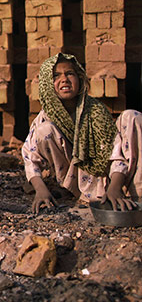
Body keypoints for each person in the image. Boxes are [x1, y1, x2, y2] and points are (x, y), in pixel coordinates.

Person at [22, 53, 142, 214]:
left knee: (132, 116)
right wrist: (40, 189)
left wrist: (115, 187)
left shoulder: (95, 112)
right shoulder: (45, 117)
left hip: (115, 178)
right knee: (45, 131)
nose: (64, 79)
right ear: (48, 84)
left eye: (69, 73)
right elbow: (29, 155)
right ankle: (86, 193)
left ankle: (136, 194)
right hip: (76, 182)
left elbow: (115, 151)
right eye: (56, 76)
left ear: (79, 79)